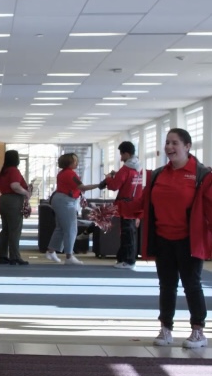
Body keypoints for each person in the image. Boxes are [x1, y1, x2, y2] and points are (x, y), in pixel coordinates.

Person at [123, 128, 210, 348]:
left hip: (189, 239)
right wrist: (119, 209)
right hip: (163, 238)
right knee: (167, 285)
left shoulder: (202, 175)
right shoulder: (159, 174)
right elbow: (143, 203)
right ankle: (165, 328)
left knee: (192, 284)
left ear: (187, 146)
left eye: (174, 143)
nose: (169, 147)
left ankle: (198, 331)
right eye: (167, 143)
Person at [45, 153, 100, 265]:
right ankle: (69, 256)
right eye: (75, 160)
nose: (77, 162)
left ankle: (51, 251)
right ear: (68, 162)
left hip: (61, 200)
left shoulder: (63, 173)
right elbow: (82, 187)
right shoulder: (70, 174)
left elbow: (77, 188)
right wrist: (99, 185)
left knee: (60, 228)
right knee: (71, 228)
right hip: (65, 202)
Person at [97, 141, 143, 269]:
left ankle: (128, 261)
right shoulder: (139, 168)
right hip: (135, 204)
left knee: (126, 234)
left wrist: (108, 178)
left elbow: (114, 186)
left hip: (126, 206)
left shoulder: (126, 169)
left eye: (121, 155)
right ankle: (124, 259)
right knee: (130, 233)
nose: (121, 158)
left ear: (127, 154)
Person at [0, 150, 31, 265]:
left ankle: (2, 256)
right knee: (15, 230)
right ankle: (15, 257)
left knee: (5, 229)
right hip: (13, 200)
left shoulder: (4, 171)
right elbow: (15, 186)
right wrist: (26, 192)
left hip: (3, 200)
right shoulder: (13, 170)